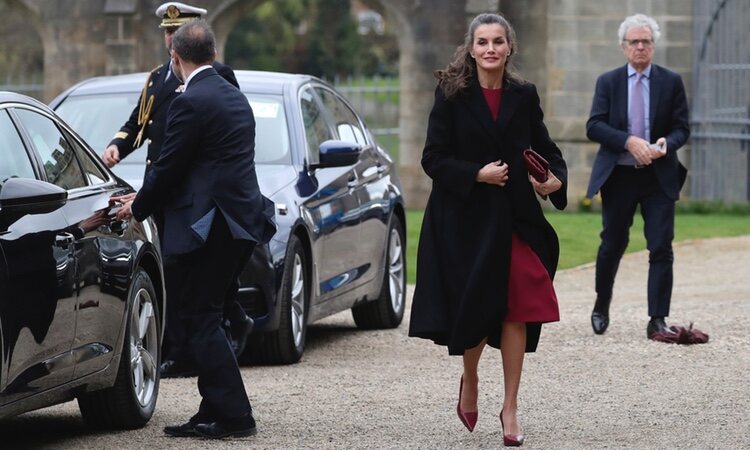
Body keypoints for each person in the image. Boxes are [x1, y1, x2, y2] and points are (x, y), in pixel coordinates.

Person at [408, 13, 567, 447]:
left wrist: (554, 180)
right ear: (472, 48)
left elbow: (546, 150)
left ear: (509, 47)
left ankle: (511, 407)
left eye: (498, 41)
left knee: (517, 304)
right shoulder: (451, 93)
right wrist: (476, 174)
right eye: (483, 42)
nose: (491, 49)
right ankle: (471, 378)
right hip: (465, 220)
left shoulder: (523, 94)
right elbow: (433, 158)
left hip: (515, 218)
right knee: (477, 308)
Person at [113, 19, 276, 439]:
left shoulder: (190, 101)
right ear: (214, 55)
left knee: (199, 317)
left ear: (176, 57)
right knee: (212, 315)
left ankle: (235, 416)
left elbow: (169, 167)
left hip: (210, 228)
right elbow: (207, 165)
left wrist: (138, 206)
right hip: (241, 224)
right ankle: (214, 408)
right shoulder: (233, 97)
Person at [103, 1, 252, 377]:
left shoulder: (215, 79)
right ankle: (181, 349)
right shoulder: (157, 79)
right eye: (167, 33)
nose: (170, 39)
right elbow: (139, 123)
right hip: (167, 191)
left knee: (200, 284)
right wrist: (118, 147)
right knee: (176, 275)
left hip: (190, 193)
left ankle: (218, 332)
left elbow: (203, 144)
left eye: (176, 32)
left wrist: (139, 202)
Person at [585, 13, 690, 340]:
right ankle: (602, 304)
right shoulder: (609, 82)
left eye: (646, 42)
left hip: (658, 176)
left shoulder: (671, 81)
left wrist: (664, 145)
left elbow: (681, 129)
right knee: (612, 243)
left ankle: (657, 319)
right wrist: (628, 140)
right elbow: (595, 126)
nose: (641, 47)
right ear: (624, 47)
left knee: (661, 246)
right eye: (635, 42)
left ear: (653, 47)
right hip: (619, 174)